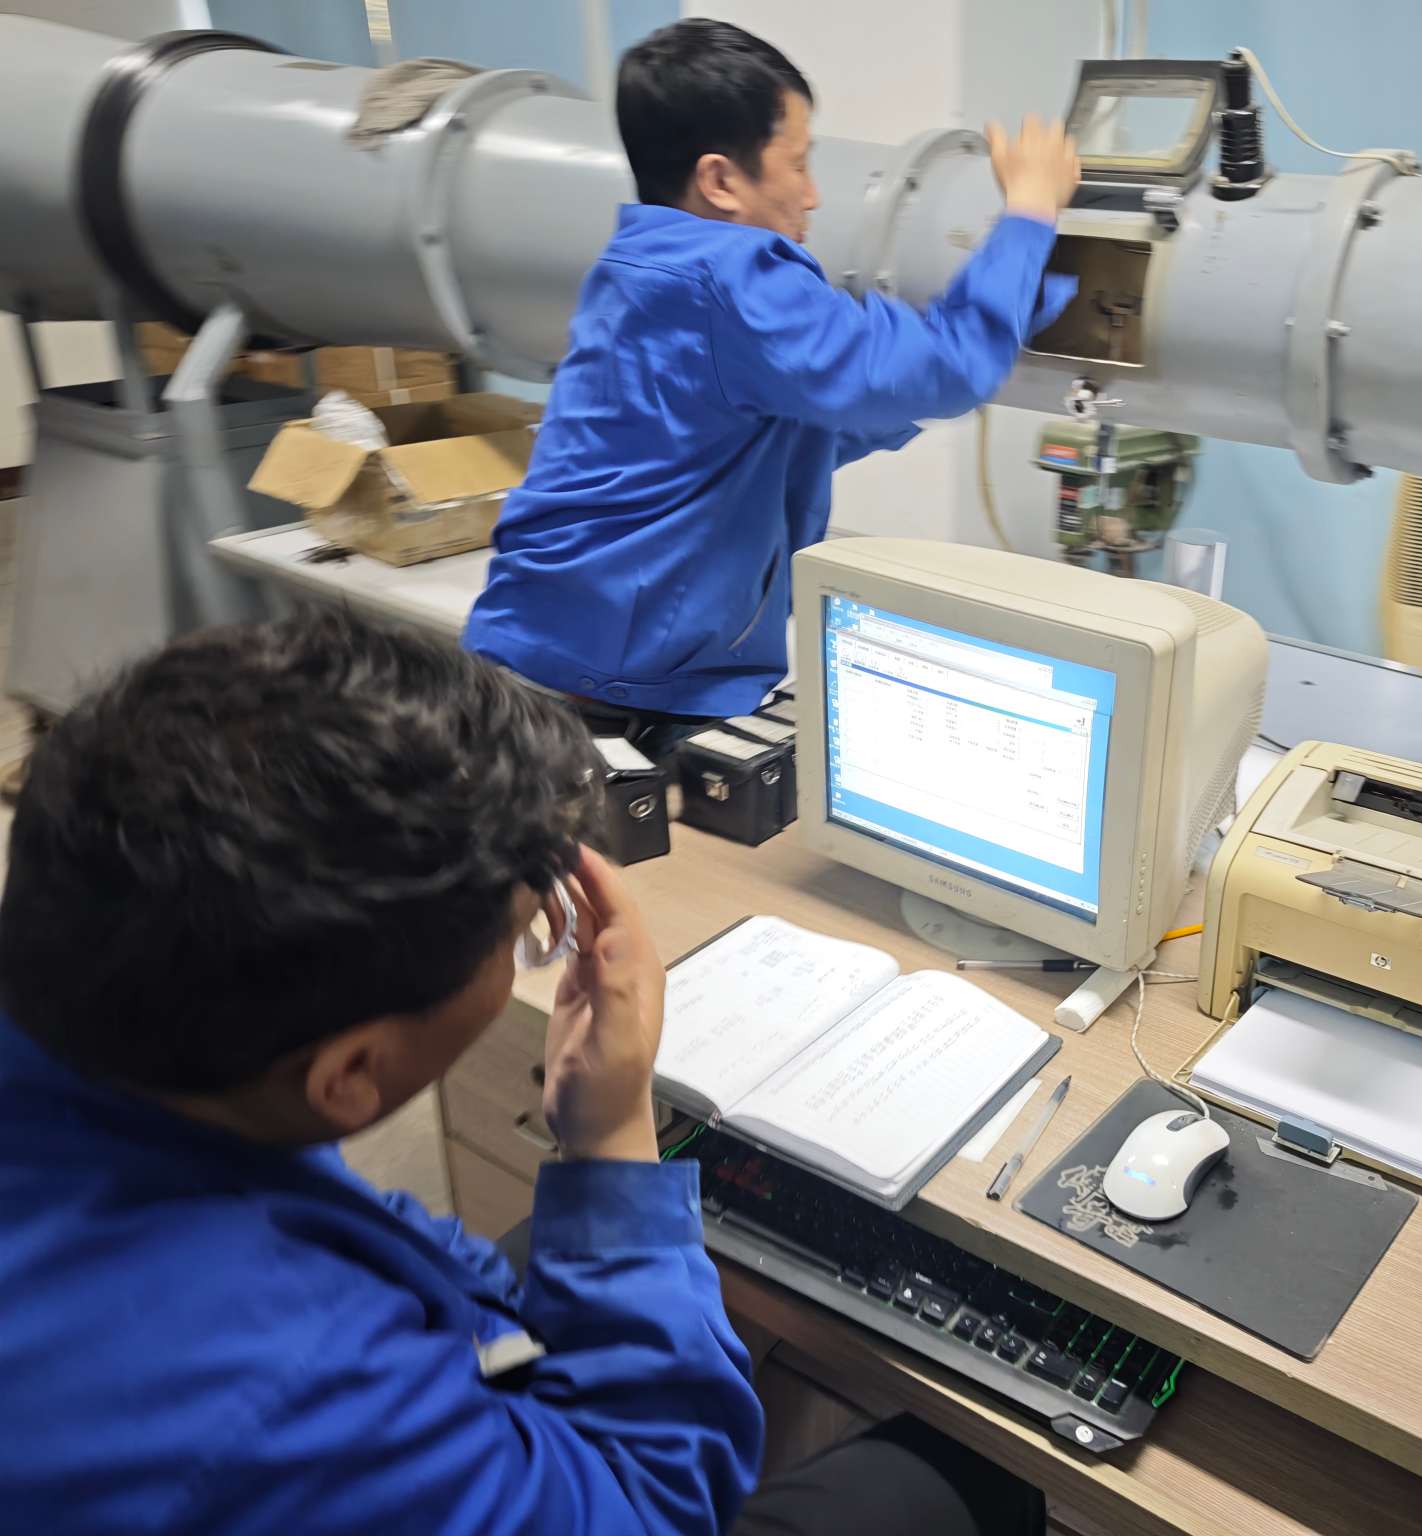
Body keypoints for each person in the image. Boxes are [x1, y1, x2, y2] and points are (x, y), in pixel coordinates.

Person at [0, 609, 1042, 1536]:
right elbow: (650, 1508)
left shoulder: (123, 1016)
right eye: (521, 940)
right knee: (959, 1475)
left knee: (542, 1249)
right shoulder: (297, 1395)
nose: (540, 944)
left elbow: (356, 1233)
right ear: (351, 1075)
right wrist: (614, 1135)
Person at [462, 19, 1081, 755]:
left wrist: (1005, 315)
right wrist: (1029, 213)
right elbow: (936, 374)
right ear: (720, 181)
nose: (813, 197)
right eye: (799, 164)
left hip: (548, 654)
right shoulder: (728, 274)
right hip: (606, 692)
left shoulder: (644, 263)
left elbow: (783, 428)